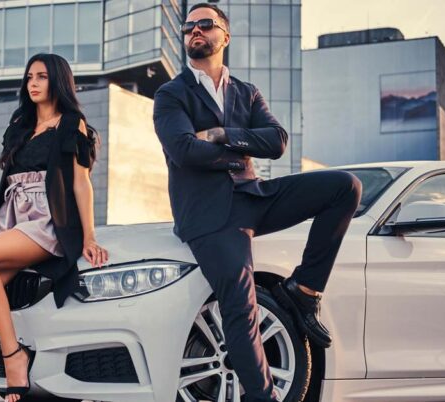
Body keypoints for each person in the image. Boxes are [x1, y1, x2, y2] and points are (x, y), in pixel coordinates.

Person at [152, 4, 362, 401]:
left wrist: (218, 133)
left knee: (344, 187)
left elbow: (277, 141)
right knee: (241, 303)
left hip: (255, 197)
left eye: (205, 24)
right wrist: (237, 153)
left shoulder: (246, 92)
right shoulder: (170, 94)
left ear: (224, 36)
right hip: (210, 215)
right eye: (188, 27)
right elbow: (182, 150)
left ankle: (304, 291)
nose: (195, 31)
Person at [0, 53, 109, 402]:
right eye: (29, 77)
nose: (33, 83)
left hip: (48, 221)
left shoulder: (71, 123)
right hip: (13, 217)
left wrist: (89, 235)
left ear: (58, 81)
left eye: (42, 77)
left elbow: (81, 183)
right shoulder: (20, 123)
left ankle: (12, 353)